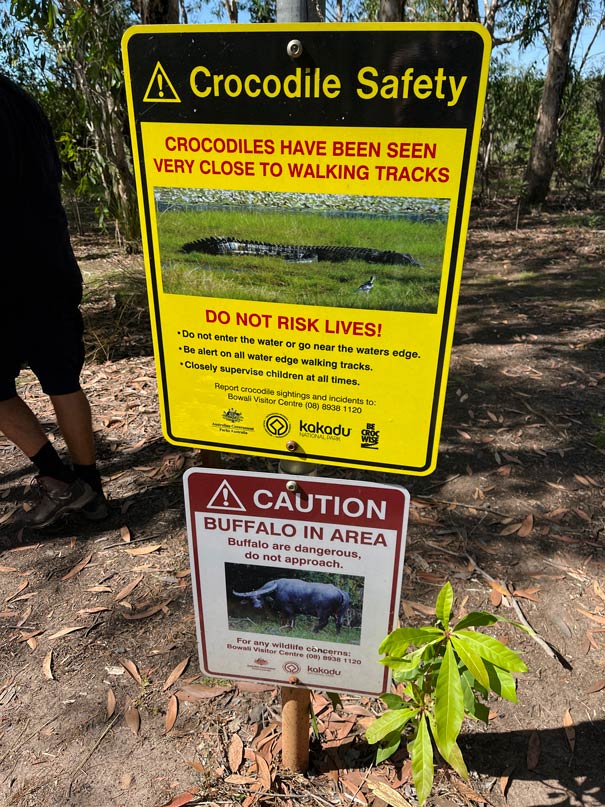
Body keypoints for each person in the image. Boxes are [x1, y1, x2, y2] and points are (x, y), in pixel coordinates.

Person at [0, 73, 107, 529]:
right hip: (49, 260)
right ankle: (88, 488)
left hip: (5, 269)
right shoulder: (22, 100)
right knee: (62, 377)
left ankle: (59, 477)